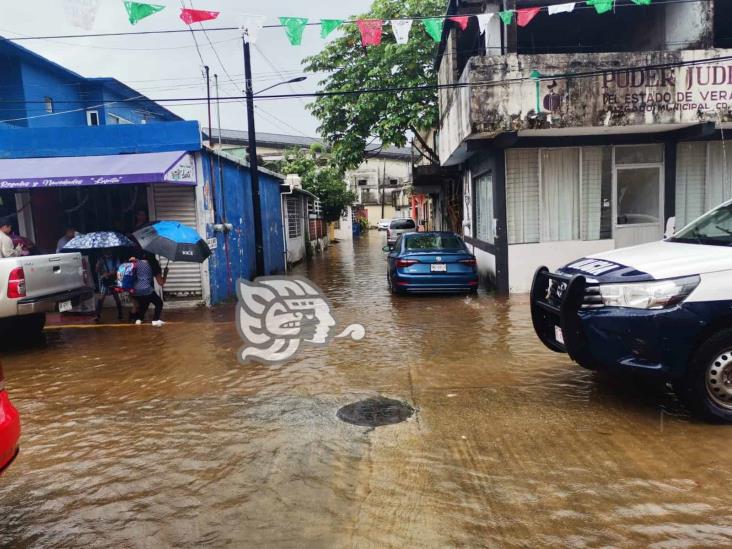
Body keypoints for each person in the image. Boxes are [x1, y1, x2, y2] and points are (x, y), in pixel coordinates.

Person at [130, 253, 168, 327]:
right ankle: (155, 320)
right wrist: (165, 273)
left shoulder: (136, 262)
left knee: (145, 303)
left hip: (135, 290)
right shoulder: (153, 265)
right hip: (146, 289)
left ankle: (139, 319)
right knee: (159, 303)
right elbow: (161, 283)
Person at [94, 250, 123, 322]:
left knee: (117, 298)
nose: (107, 253)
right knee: (101, 298)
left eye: (109, 251)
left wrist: (110, 274)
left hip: (113, 280)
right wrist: (98, 265)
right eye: (106, 252)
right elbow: (96, 270)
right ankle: (97, 315)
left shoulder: (115, 259)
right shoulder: (101, 259)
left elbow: (119, 269)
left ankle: (120, 314)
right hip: (105, 281)